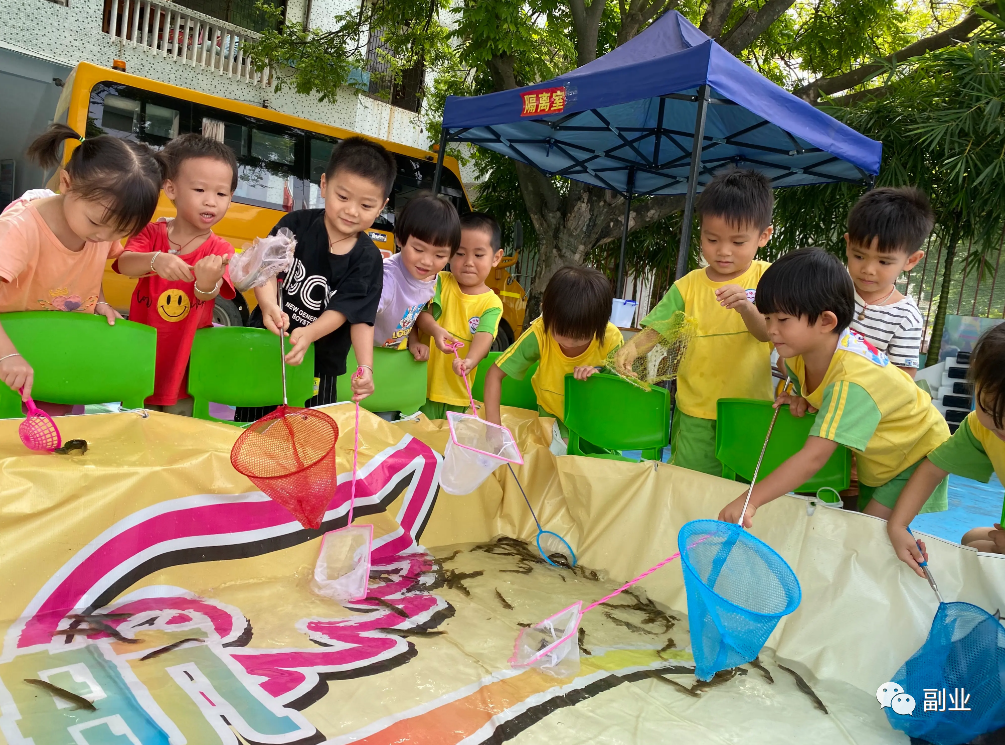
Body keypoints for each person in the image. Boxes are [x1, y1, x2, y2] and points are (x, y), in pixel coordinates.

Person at [718, 248, 950, 527]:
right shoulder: (796, 358)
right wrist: (802, 397)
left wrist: (750, 500)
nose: (771, 330)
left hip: (917, 457)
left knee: (869, 532)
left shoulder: (852, 380)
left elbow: (813, 458)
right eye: (767, 318)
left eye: (782, 320)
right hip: (881, 458)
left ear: (827, 321)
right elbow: (790, 371)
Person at [613, 168, 774, 476]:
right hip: (695, 412)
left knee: (741, 490)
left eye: (738, 242)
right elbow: (658, 330)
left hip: (749, 412)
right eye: (712, 239)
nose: (723, 251)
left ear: (763, 236)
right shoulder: (687, 286)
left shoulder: (768, 279)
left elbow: (769, 333)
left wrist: (747, 309)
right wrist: (632, 349)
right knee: (688, 483)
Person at [0, 124, 163, 405]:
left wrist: (98, 300)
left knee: (59, 430)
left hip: (59, 348)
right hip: (12, 351)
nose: (104, 237)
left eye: (119, 231)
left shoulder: (98, 229)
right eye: (97, 223)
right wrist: (8, 355)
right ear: (66, 183)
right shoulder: (19, 230)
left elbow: (91, 266)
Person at [234, 136, 393, 421]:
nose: (352, 210)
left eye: (367, 205)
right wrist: (269, 305)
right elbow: (266, 269)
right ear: (324, 184)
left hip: (321, 366)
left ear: (382, 206)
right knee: (252, 428)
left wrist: (365, 367)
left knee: (308, 441)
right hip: (268, 347)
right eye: (342, 197)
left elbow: (356, 315)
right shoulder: (296, 225)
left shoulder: (368, 259)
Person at [113, 134, 237, 415]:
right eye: (199, 190)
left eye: (221, 194)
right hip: (142, 361)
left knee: (179, 434)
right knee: (135, 430)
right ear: (171, 188)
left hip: (186, 370)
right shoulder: (151, 232)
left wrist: (206, 284)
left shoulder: (220, 249)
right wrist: (155, 260)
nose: (211, 202)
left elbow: (210, 293)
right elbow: (124, 264)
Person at [888, 324, 1005, 575]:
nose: (1000, 426)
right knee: (971, 542)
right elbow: (933, 470)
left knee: (984, 556)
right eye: (989, 408)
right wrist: (898, 526)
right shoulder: (981, 428)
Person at [484, 265, 622, 439]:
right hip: (551, 421)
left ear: (601, 323)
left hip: (595, 423)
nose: (570, 342)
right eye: (562, 332)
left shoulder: (611, 338)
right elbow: (494, 375)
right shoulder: (540, 333)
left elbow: (623, 387)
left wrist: (600, 375)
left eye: (581, 336)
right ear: (545, 314)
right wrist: (493, 429)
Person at [415, 212, 504, 419]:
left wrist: (470, 360)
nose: (468, 262)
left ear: (496, 258)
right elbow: (420, 315)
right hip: (420, 388)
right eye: (460, 253)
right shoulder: (439, 281)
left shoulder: (491, 303)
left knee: (449, 447)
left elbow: (485, 335)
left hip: (458, 394)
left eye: (479, 255)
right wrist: (435, 330)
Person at [845, 187, 933, 377]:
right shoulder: (830, 289)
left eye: (883, 261)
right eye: (859, 256)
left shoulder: (905, 317)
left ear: (911, 260)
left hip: (862, 403)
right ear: (848, 244)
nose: (868, 269)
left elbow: (902, 380)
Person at [373, 194, 458, 353]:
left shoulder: (430, 277)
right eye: (418, 249)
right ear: (400, 239)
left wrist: (413, 340)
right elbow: (359, 317)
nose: (427, 261)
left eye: (439, 256)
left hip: (388, 355)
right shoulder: (387, 279)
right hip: (359, 353)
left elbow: (410, 311)